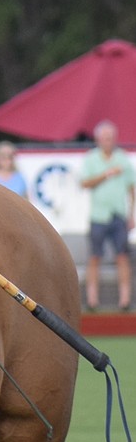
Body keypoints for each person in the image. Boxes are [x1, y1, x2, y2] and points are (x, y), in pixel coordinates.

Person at [80, 120, 135, 312]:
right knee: (95, 257)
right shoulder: (91, 159)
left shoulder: (123, 158)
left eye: (110, 138)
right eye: (104, 138)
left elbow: (131, 188)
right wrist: (106, 174)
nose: (107, 141)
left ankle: (125, 300)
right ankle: (92, 300)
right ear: (98, 139)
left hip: (118, 213)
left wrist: (131, 215)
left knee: (122, 257)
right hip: (99, 215)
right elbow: (84, 183)